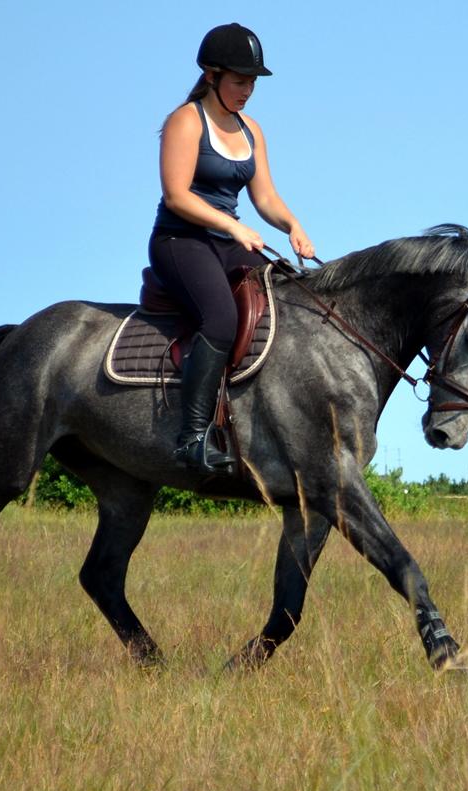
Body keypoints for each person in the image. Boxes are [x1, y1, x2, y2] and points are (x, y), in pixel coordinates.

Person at [150, 22, 315, 473]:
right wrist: (232, 226)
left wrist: (291, 225)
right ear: (211, 74)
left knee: (293, 298)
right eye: (240, 81)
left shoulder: (252, 130)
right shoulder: (185, 121)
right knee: (220, 319)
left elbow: (264, 198)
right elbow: (177, 196)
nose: (248, 91)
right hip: (181, 241)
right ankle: (193, 437)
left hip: (229, 241)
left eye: (253, 83)